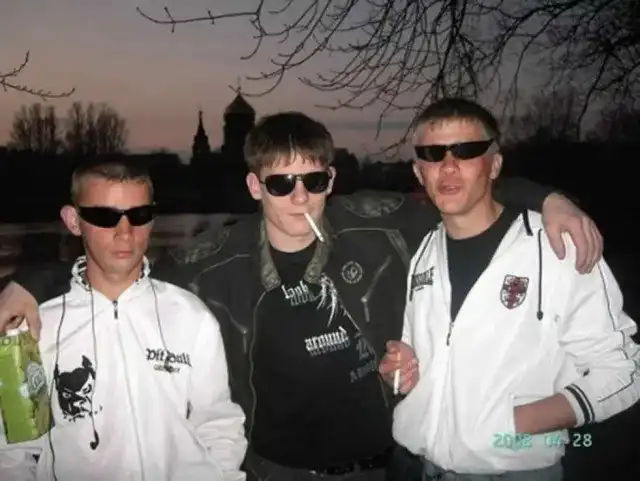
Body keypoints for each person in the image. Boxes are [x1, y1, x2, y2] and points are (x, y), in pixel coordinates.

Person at [0, 112, 603, 481]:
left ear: (330, 180)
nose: (298, 197)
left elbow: (464, 193)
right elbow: (123, 266)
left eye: (312, 180)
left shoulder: (380, 227)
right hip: (273, 471)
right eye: (281, 182)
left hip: (384, 468)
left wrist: (548, 198)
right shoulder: (214, 262)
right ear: (254, 185)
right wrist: (36, 280)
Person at [380, 98, 640, 481]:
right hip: (419, 467)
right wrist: (408, 368)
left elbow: (623, 372)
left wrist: (513, 424)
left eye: (466, 151)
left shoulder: (556, 247)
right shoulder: (423, 252)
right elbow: (436, 357)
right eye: (433, 154)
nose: (448, 166)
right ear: (419, 172)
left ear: (495, 165)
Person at [0, 159, 247, 481]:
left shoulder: (191, 314)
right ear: (74, 221)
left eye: (139, 215)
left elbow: (218, 422)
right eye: (105, 217)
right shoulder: (31, 326)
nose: (125, 233)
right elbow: (14, 448)